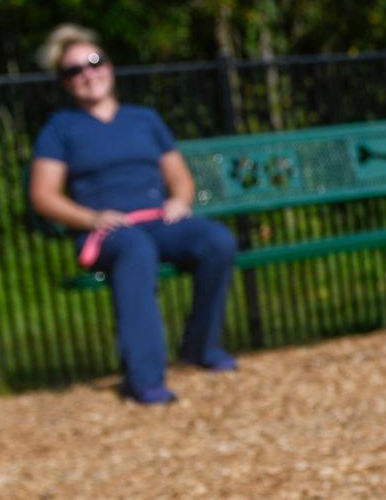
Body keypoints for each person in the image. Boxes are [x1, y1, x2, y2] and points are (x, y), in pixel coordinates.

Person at [27, 24, 239, 404]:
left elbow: (179, 176)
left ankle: (201, 347)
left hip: (158, 220)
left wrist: (180, 200)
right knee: (136, 250)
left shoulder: (144, 119)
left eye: (94, 62)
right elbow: (43, 195)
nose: (87, 74)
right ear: (65, 82)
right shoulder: (60, 130)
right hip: (109, 232)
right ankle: (144, 378)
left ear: (109, 66)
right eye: (74, 70)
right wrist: (91, 219)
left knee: (217, 240)